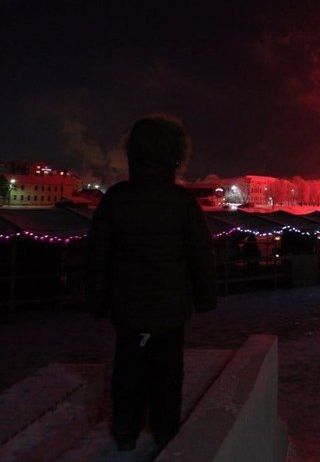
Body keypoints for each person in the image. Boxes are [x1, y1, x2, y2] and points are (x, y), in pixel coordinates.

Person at [86, 116, 217, 452]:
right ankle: (165, 429)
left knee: (128, 366)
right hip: (170, 308)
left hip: (127, 305)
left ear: (133, 154)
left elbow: (97, 256)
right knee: (168, 370)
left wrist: (97, 301)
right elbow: (200, 255)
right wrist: (205, 298)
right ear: (175, 156)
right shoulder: (183, 202)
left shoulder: (116, 198)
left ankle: (125, 430)